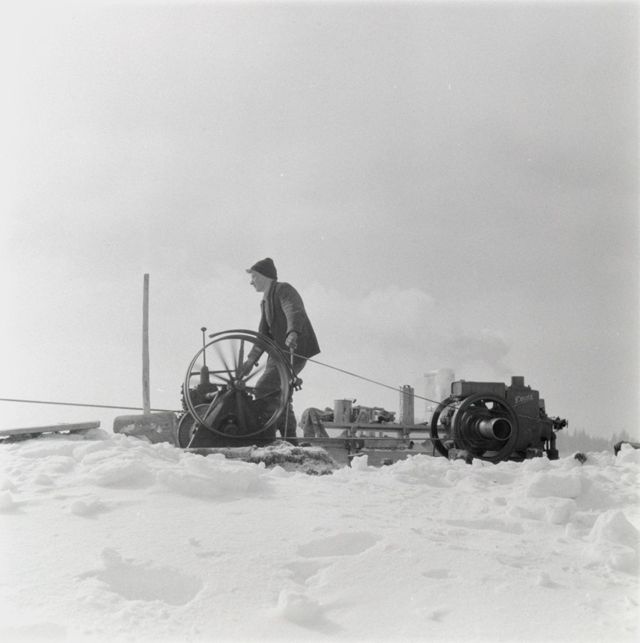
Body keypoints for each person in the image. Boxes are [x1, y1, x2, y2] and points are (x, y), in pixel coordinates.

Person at [241, 257, 320, 442]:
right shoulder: (265, 302)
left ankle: (267, 438)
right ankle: (290, 440)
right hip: (277, 355)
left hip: (294, 352)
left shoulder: (283, 289)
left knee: (264, 388)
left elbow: (294, 310)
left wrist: (293, 332)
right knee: (279, 394)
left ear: (264, 276)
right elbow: (263, 335)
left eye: (254, 277)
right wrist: (250, 361)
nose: (251, 281)